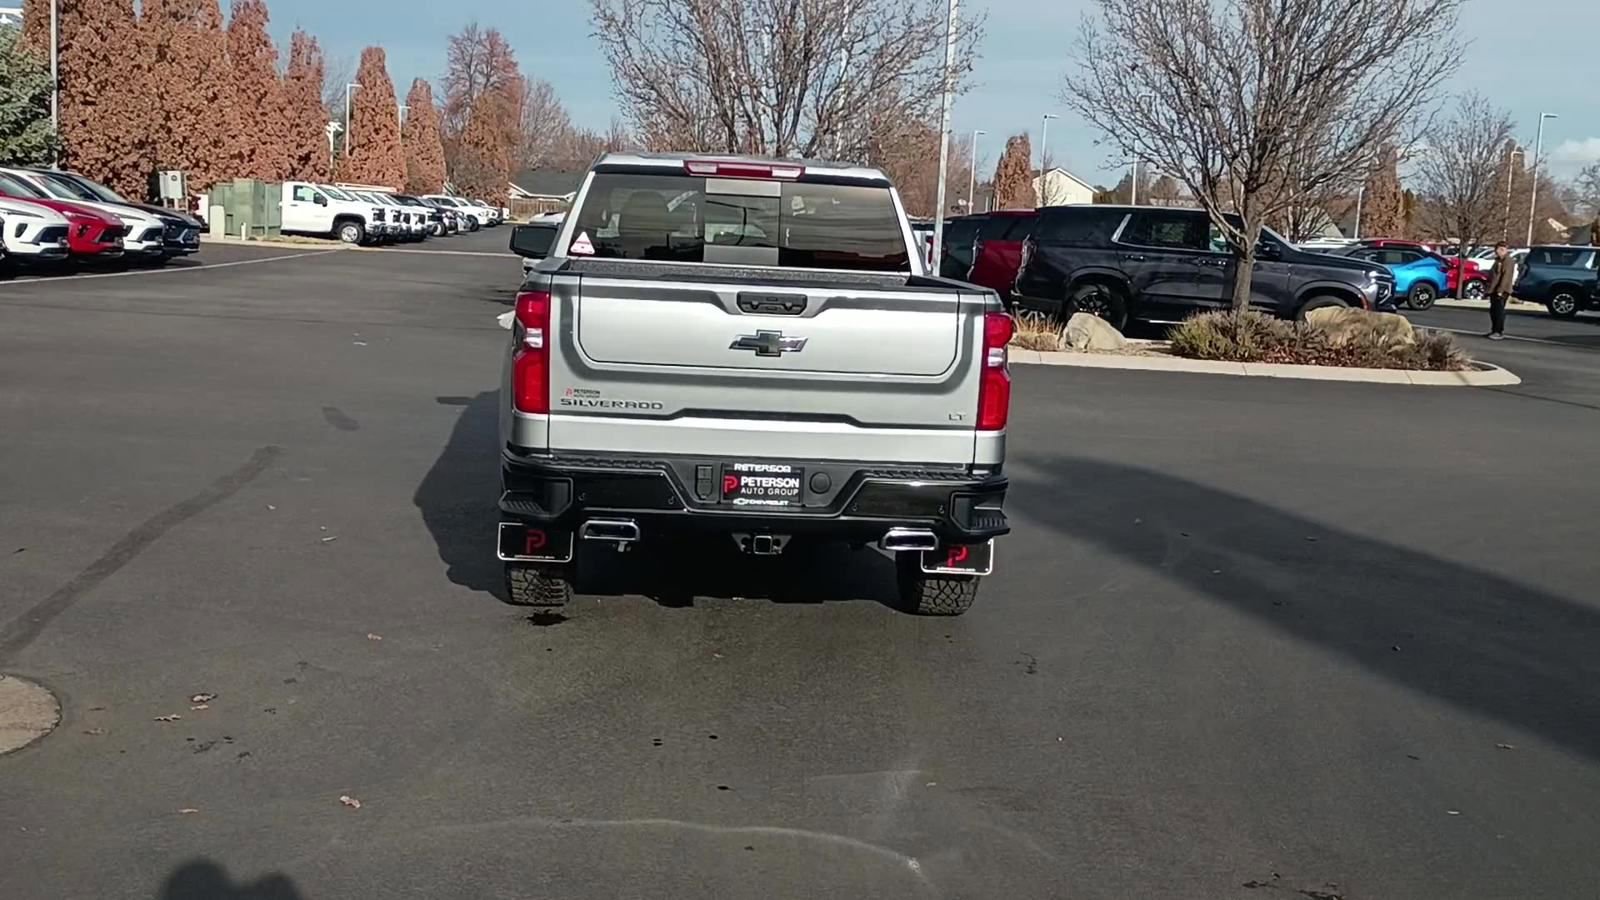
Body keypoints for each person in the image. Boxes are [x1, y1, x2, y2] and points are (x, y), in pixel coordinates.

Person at [1485, 241, 1517, 340]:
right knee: (1493, 311)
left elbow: (1506, 277)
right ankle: (1494, 330)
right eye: (1497, 249)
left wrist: (1500, 290)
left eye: (1501, 249)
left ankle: (1499, 332)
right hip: (1494, 289)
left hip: (1502, 290)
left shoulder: (1508, 261)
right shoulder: (1498, 260)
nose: (1498, 251)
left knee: (1499, 311)